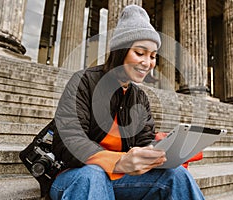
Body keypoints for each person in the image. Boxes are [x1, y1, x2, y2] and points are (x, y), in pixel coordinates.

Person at [49, 5, 205, 200]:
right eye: (140, 53)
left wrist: (158, 151)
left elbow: (144, 141)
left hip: (120, 179)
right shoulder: (83, 81)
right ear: (120, 51)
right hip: (76, 175)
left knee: (176, 175)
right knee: (94, 174)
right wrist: (119, 161)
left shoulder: (140, 98)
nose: (148, 63)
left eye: (153, 56)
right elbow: (68, 140)